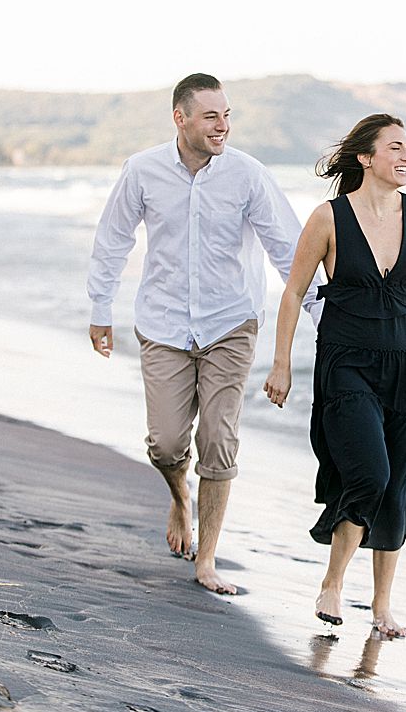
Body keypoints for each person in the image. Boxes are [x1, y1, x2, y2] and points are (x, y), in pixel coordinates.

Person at [87, 73, 320, 594]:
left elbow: (289, 248)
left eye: (228, 115)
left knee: (218, 440)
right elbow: (113, 239)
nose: (223, 126)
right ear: (181, 118)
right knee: (167, 446)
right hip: (164, 323)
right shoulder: (143, 171)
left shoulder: (248, 175)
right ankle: (179, 497)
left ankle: (206, 560)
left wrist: (320, 314)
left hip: (230, 322)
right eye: (212, 116)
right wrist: (100, 307)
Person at [263, 113, 406, 638]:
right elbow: (294, 291)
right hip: (347, 363)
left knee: (399, 481)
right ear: (366, 158)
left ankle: (382, 606)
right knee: (369, 473)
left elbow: (403, 292)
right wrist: (281, 363)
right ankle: (333, 583)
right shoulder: (328, 219)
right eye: (396, 148)